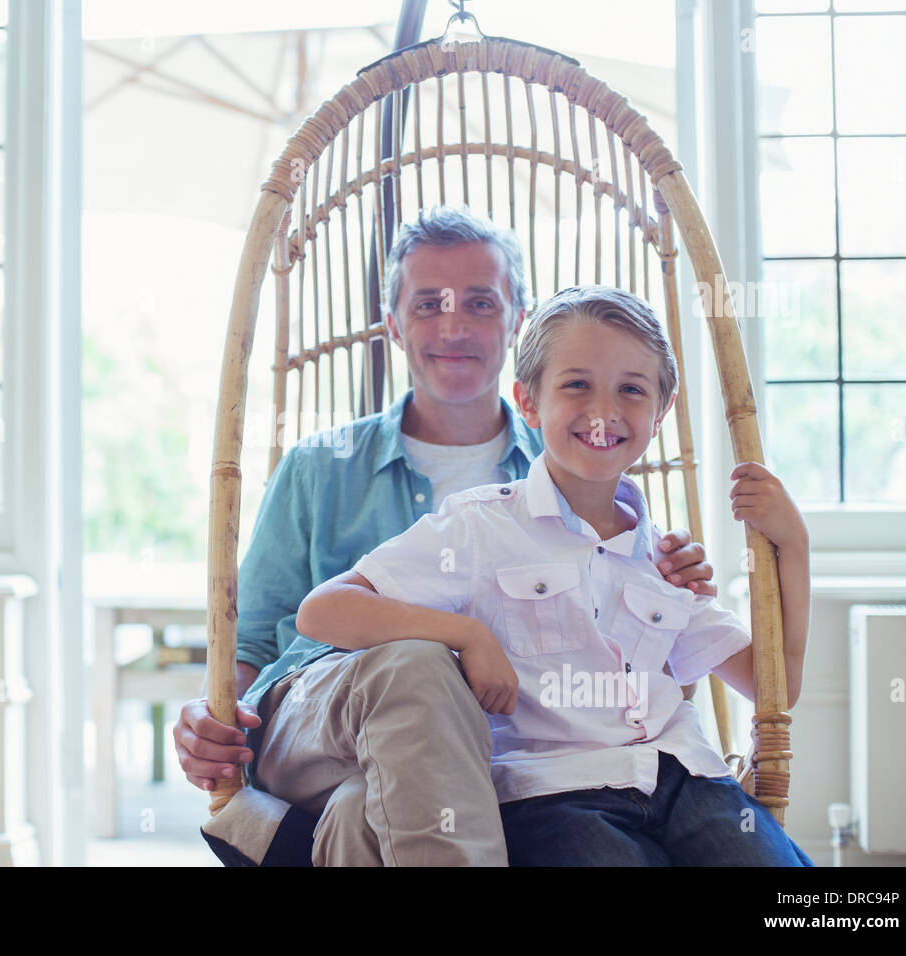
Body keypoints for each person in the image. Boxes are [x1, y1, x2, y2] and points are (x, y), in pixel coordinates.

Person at [177, 206, 718, 865]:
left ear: (517, 320)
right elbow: (255, 640)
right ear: (393, 326)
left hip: (476, 759)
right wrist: (208, 715)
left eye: (481, 303)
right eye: (428, 303)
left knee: (360, 815)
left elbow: (644, 666)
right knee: (419, 662)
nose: (453, 325)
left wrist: (676, 586)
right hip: (313, 725)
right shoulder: (320, 467)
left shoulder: (580, 473)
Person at [297, 284, 813, 865]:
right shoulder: (479, 527)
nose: (604, 411)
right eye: (576, 385)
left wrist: (793, 547)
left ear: (661, 412)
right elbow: (323, 610)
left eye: (632, 390)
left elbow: (776, 688)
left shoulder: (665, 558)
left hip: (688, 780)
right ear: (529, 402)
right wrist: (467, 635)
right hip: (551, 794)